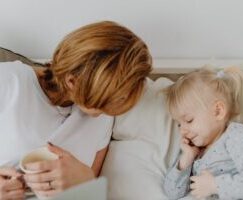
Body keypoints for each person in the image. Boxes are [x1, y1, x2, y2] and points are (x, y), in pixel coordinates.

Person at [0, 21, 152, 199]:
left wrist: (86, 181)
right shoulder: (9, 82)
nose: (111, 110)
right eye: (103, 102)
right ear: (72, 81)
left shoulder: (103, 117)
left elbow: (91, 188)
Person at [163, 67, 243, 200]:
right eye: (179, 124)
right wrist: (186, 159)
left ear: (218, 111)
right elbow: (173, 194)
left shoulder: (235, 135)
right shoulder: (195, 153)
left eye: (189, 120)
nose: (182, 130)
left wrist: (216, 185)